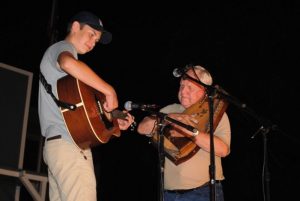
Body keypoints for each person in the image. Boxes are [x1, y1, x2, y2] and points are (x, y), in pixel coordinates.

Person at [38, 11, 134, 201]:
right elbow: (67, 62)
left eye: (96, 41)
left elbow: (84, 112)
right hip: (69, 146)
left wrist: (114, 119)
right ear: (75, 27)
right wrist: (109, 90)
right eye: (91, 34)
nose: (93, 43)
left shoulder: (70, 82)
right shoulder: (64, 49)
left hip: (57, 147)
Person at [137, 65, 231, 201]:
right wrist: (172, 118)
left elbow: (223, 150)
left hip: (203, 192)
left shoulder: (215, 113)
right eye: (181, 86)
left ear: (205, 90)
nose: (183, 91)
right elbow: (142, 128)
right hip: (168, 194)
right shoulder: (171, 109)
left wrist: (192, 133)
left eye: (190, 87)